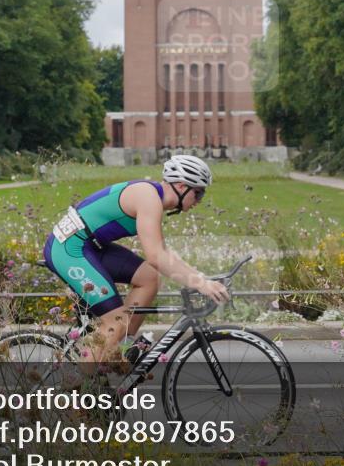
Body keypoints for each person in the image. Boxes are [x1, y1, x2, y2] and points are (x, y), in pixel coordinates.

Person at [42, 155, 229, 364]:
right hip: (68, 249)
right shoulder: (148, 198)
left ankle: (121, 350)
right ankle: (83, 392)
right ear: (181, 186)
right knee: (115, 321)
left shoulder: (152, 197)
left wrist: (200, 277)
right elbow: (157, 255)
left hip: (89, 246)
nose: (199, 200)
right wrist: (201, 283)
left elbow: (163, 254)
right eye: (198, 193)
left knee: (149, 277)